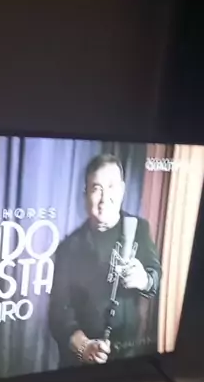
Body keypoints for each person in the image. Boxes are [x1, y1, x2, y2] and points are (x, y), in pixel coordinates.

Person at [49, 153, 161, 366]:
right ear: (85, 195)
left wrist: (144, 280)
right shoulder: (68, 247)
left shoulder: (139, 228)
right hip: (79, 364)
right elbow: (58, 312)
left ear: (122, 190)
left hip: (129, 356)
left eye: (111, 187)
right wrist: (83, 346)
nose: (104, 198)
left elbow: (156, 278)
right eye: (96, 188)